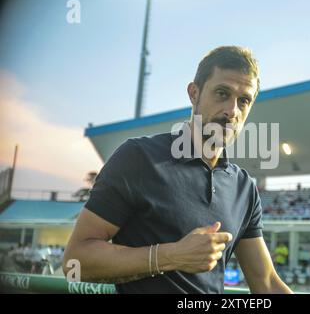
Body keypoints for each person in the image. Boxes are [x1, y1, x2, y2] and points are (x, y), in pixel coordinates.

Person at [63, 46, 293, 294]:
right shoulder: (138, 157)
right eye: (222, 93)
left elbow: (266, 282)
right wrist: (172, 255)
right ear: (193, 93)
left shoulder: (244, 187)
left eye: (244, 100)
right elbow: (76, 261)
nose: (232, 110)